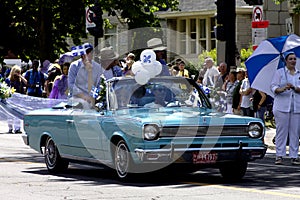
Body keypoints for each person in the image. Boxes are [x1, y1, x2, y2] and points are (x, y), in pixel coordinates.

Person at [270, 51, 300, 165]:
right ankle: (279, 155)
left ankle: (294, 155)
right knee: (281, 131)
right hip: (282, 106)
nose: (293, 61)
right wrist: (282, 89)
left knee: (295, 132)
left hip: (296, 107)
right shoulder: (280, 73)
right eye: (291, 59)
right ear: (286, 61)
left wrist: (295, 88)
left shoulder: (298, 73)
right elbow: (273, 87)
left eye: (294, 59)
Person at [69, 44, 105, 108]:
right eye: (87, 52)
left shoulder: (98, 67)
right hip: (77, 97)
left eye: (91, 52)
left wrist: (94, 97)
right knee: (84, 104)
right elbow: (71, 84)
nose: (90, 55)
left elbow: (99, 84)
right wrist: (83, 96)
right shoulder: (74, 66)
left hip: (93, 98)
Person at [5, 65, 27, 133]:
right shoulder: (8, 80)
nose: (17, 74)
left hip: (18, 99)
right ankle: (10, 127)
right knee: (10, 114)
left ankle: (17, 128)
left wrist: (20, 76)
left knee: (17, 113)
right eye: (16, 72)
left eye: (18, 72)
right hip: (10, 98)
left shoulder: (19, 80)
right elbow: (6, 88)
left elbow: (26, 83)